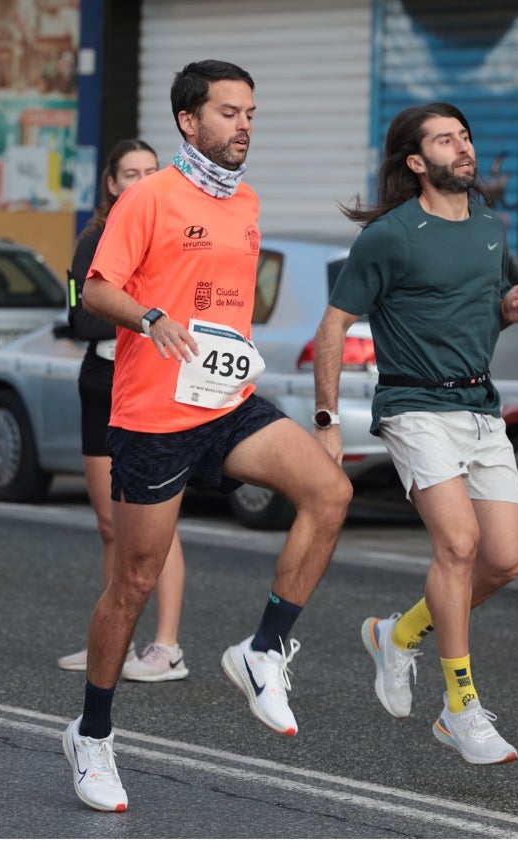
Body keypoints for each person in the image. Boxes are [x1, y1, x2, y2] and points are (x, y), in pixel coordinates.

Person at [61, 59, 353, 812]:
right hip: (153, 415)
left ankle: (261, 650)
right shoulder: (148, 197)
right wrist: (149, 316)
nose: (244, 124)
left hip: (225, 400)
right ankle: (92, 734)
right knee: (133, 581)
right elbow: (96, 288)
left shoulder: (248, 201)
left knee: (329, 489)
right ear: (189, 121)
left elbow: (228, 307)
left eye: (250, 112)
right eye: (228, 112)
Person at [312, 102, 518, 765]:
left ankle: (397, 632)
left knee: (504, 560)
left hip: (479, 408)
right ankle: (459, 707)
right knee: (459, 544)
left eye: (464, 135)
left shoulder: (492, 230)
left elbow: (476, 323)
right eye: (445, 139)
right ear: (416, 162)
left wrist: (507, 310)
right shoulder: (390, 235)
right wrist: (326, 421)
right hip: (412, 405)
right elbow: (331, 327)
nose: (463, 146)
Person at [57, 138, 190, 682]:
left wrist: (135, 314)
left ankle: (166, 647)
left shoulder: (176, 235)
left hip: (155, 382)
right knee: (113, 525)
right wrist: (140, 315)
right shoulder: (92, 241)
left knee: (159, 525)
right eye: (130, 172)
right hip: (102, 382)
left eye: (150, 171)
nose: (140, 180)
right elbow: (80, 320)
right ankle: (115, 641)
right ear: (111, 183)